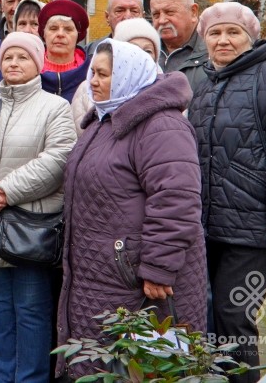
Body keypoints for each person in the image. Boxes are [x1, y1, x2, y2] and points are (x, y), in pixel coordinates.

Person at [56, 40, 206, 380]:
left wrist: (158, 267)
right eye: (92, 73)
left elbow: (176, 199)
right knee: (102, 366)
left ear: (128, 76)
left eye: (102, 74)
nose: (93, 82)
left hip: (139, 279)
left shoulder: (162, 126)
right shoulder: (104, 119)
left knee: (144, 369)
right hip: (100, 272)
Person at [187, 2, 266, 382]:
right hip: (209, 225)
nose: (223, 40)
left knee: (234, 316)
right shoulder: (206, 84)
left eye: (233, 32)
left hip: (254, 229)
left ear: (251, 37)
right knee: (207, 315)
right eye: (214, 33)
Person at [0, 32, 75, 383]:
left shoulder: (55, 107)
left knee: (31, 310)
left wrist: (5, 192)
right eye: (8, 57)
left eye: (22, 57)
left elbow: (59, 157)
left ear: (37, 63)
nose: (14, 63)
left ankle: (31, 377)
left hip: (29, 228)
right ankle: (3, 376)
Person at [72, 17, 161, 133]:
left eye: (148, 51)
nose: (141, 56)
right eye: (133, 49)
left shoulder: (166, 93)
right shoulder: (87, 90)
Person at [149, 0, 207, 90]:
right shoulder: (144, 52)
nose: (162, 20)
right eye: (156, 15)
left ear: (193, 12)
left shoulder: (213, 53)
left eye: (169, 12)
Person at [38, 0, 90, 102]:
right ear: (44, 33)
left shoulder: (91, 74)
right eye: (53, 28)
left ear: (78, 35)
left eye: (68, 29)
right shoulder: (30, 72)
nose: (60, 34)